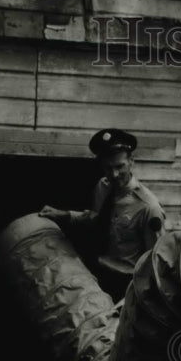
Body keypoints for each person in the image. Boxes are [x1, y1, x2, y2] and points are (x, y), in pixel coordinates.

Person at [39, 128, 166, 303]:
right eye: (108, 168)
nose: (114, 174)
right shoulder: (103, 187)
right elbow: (96, 219)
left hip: (127, 285)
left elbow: (156, 261)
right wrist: (65, 215)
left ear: (131, 162)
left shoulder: (148, 207)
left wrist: (139, 299)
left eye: (120, 166)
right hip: (98, 274)